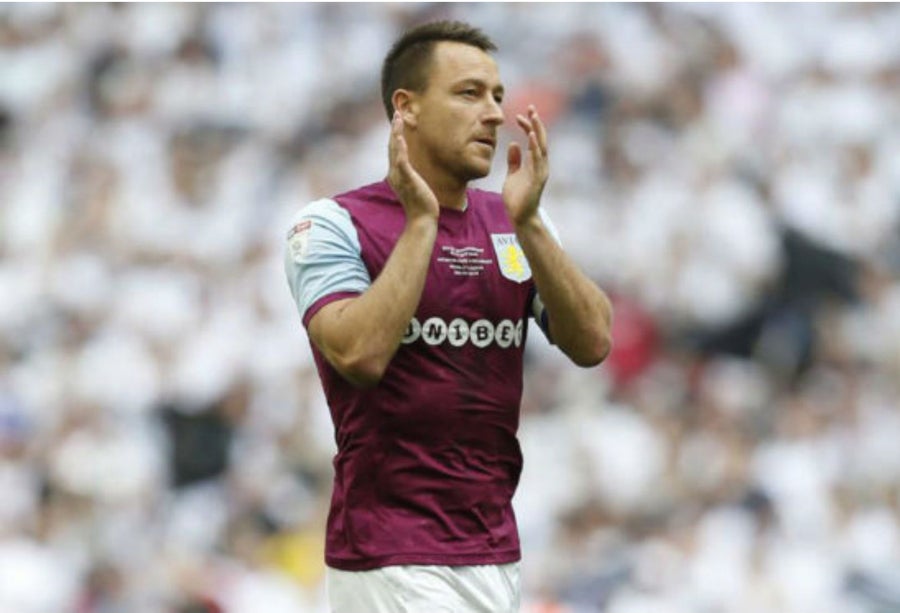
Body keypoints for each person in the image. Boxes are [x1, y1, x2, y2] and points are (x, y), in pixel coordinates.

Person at [284, 20, 613, 613]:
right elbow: (359, 354)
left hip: (494, 549)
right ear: (406, 107)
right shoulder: (333, 224)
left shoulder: (515, 221)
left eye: (497, 96)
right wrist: (422, 223)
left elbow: (592, 342)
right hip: (389, 552)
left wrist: (531, 224)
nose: (493, 113)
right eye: (469, 93)